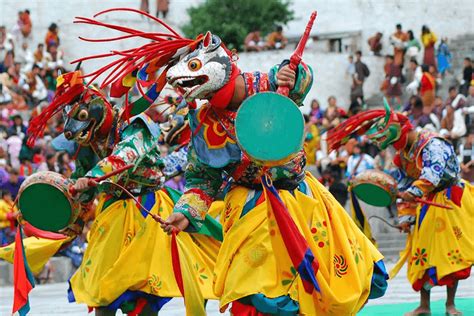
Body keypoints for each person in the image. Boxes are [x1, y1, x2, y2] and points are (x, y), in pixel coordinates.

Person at [73, 11, 389, 314]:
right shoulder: (203, 121)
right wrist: (184, 213)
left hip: (299, 197)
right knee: (249, 286)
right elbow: (202, 181)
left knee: (312, 288)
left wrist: (293, 74)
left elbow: (302, 80)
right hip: (248, 203)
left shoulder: (269, 83)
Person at [20, 67, 221, 315]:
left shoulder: (135, 126)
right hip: (112, 214)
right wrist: (67, 215)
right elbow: (82, 189)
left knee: (145, 294)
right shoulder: (88, 142)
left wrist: (92, 177)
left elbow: (126, 156)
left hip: (147, 210)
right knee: (104, 292)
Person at [328, 99, 473, 316]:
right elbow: (402, 187)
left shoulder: (432, 143)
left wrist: (412, 192)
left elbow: (431, 175)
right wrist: (405, 217)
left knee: (450, 255)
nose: (392, 148)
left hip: (450, 200)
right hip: (427, 206)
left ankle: (450, 305)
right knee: (421, 256)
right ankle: (424, 306)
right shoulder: (403, 156)